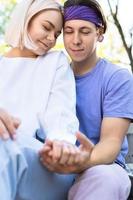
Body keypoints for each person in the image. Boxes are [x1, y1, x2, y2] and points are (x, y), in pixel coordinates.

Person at [39, 0, 133, 199]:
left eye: (85, 31)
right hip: (54, 166)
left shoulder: (117, 78)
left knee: (104, 179)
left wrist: (78, 162)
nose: (75, 40)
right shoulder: (50, 74)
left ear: (99, 33)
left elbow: (111, 143)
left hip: (101, 166)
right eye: (69, 31)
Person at [0, 0, 79, 199]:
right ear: (26, 19)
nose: (51, 38)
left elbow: (61, 112)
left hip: (44, 161)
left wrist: (61, 142)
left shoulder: (55, 62)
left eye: (57, 34)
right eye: (46, 27)